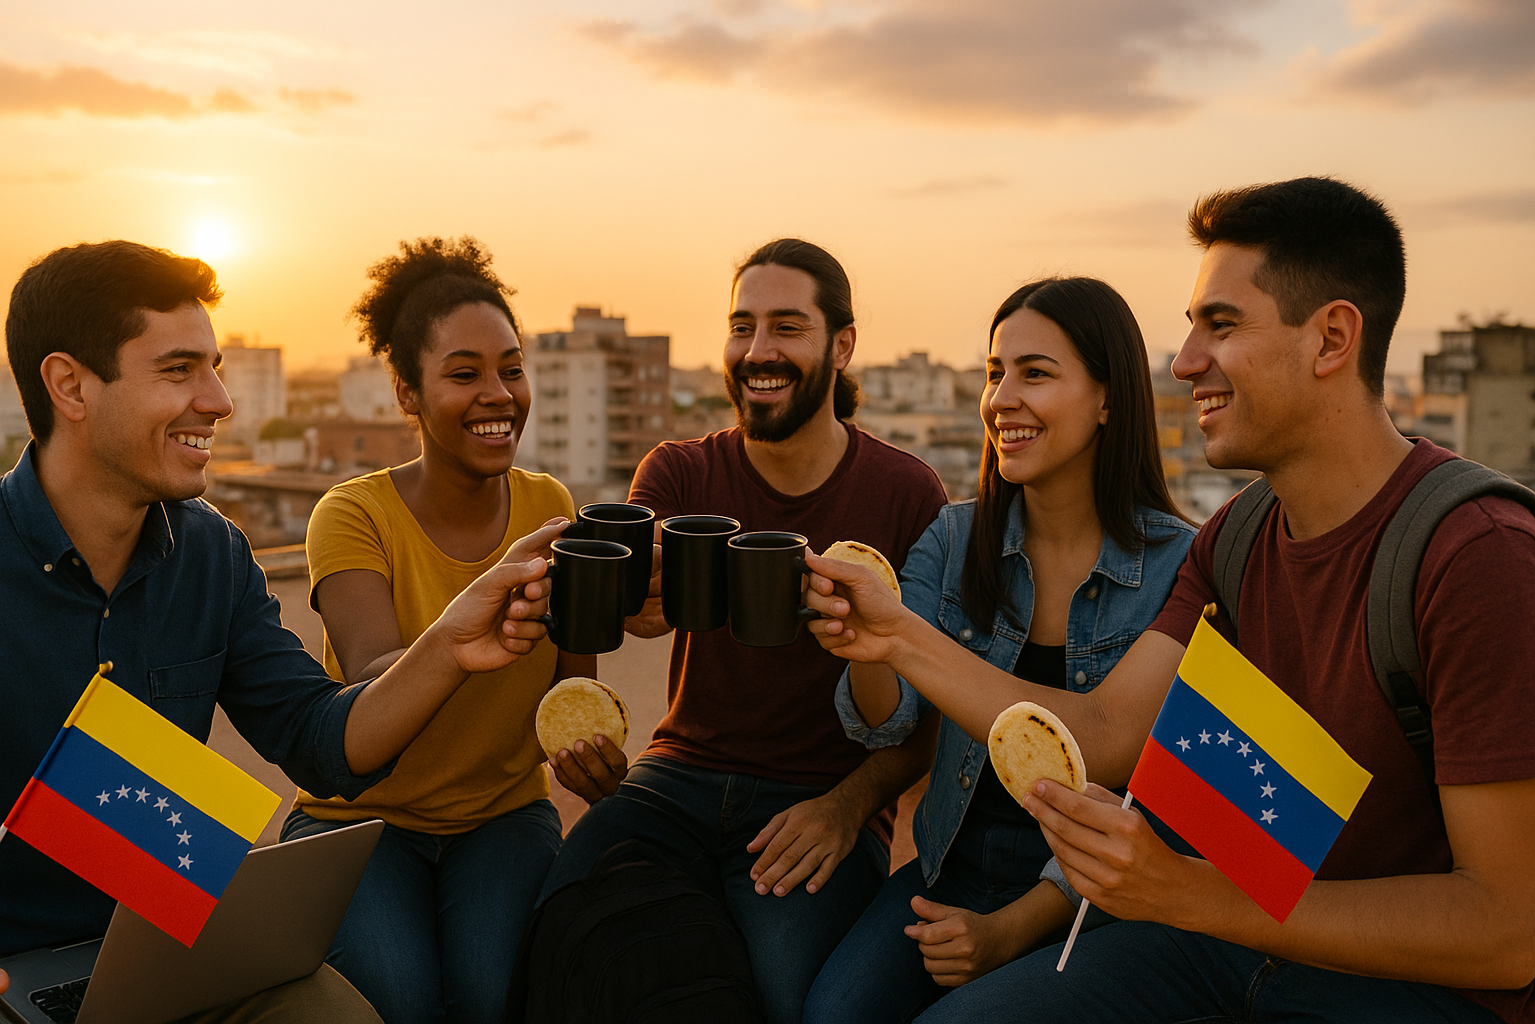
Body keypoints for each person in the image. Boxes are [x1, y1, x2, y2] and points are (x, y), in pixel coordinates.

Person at [805, 177, 1535, 1024]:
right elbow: (1108, 735)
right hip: (1233, 939)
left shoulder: (1476, 554)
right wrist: (893, 634)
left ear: (1333, 338)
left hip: (1401, 986)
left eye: (1219, 325)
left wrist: (1189, 893)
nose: (1185, 361)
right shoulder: (1236, 537)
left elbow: (1507, 931)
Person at [0, 240, 560, 1023]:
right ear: (70, 386)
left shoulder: (211, 554)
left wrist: (449, 644)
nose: (221, 400)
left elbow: (321, 744)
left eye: (216, 366)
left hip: (172, 937)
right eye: (178, 370)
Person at [537, 238, 950, 1024]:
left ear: (842, 345)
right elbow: (621, 604)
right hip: (678, 774)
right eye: (742, 326)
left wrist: (848, 806)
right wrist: (592, 684)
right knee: (563, 927)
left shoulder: (907, 492)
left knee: (787, 997)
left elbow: (926, 713)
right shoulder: (680, 471)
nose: (758, 351)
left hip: (820, 797)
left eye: (787, 327)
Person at [802, 277, 1195, 1024]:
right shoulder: (955, 538)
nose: (1001, 398)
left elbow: (1158, 794)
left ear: (1109, 399)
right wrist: (863, 646)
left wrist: (1008, 930)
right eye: (994, 373)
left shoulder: (1180, 565)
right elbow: (884, 723)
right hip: (951, 867)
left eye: (1035, 373)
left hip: (1090, 906)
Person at [277, 238, 608, 1024]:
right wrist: (469, 627)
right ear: (407, 393)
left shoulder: (547, 504)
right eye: (464, 374)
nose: (499, 394)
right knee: (400, 1002)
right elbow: (368, 675)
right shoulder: (354, 513)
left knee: (496, 998)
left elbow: (571, 689)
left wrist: (589, 748)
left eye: (512, 369)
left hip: (500, 815)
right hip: (358, 821)